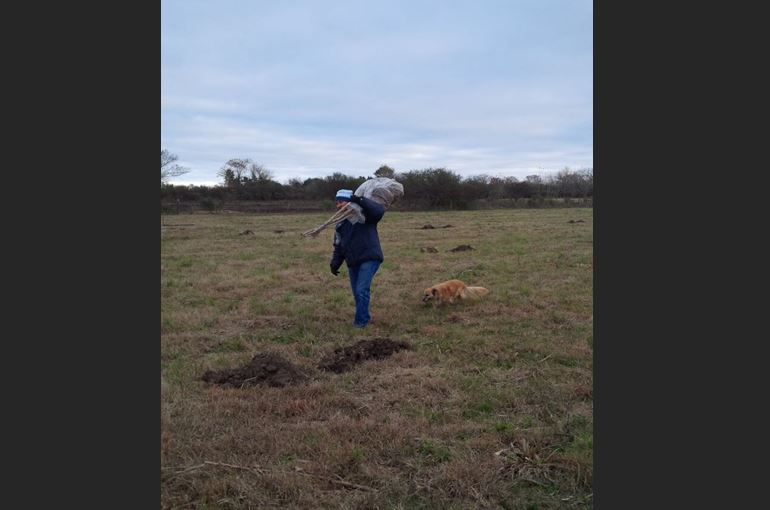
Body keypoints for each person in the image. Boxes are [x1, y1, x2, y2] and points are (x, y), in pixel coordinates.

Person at [329, 188, 385, 328]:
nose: (338, 206)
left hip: (369, 257)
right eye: (337, 203)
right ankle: (364, 316)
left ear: (349, 201)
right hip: (353, 261)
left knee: (361, 290)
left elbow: (378, 211)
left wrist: (359, 200)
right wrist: (335, 263)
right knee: (357, 293)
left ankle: (360, 323)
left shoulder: (363, 216)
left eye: (341, 202)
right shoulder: (340, 224)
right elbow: (339, 246)